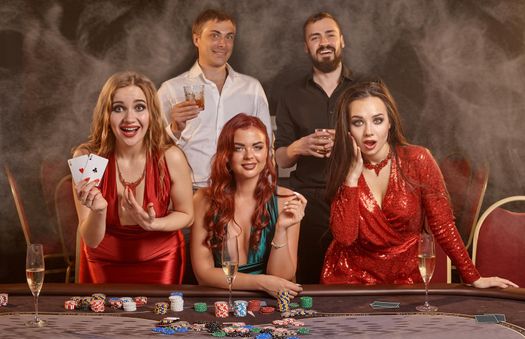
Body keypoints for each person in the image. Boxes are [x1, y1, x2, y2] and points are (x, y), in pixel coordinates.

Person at [321, 79, 518, 289]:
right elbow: (344, 238)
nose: (369, 131)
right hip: (350, 281)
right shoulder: (343, 167)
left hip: (404, 281)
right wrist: (351, 179)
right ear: (348, 128)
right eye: (358, 122)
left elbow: (443, 226)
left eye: (377, 120)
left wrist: (473, 277)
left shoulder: (418, 159)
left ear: (390, 122)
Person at [73, 71, 194, 284]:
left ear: (152, 113)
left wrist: (153, 224)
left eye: (140, 107)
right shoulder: (88, 158)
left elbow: (187, 215)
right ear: (106, 114)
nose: (130, 119)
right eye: (118, 108)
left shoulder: (170, 157)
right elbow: (91, 240)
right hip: (103, 261)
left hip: (161, 258)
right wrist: (99, 211)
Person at [274, 12, 353, 283]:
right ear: (306, 47)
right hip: (308, 197)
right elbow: (281, 159)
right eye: (315, 37)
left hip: (354, 192)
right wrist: (298, 147)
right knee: (307, 277)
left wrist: (346, 145)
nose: (324, 42)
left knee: (353, 276)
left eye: (330, 34)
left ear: (342, 40)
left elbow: (384, 147)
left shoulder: (365, 89)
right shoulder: (291, 93)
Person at [191, 114, 306, 297]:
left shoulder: (286, 199)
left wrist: (281, 229)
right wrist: (260, 282)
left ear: (267, 151)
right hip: (221, 300)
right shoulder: (203, 199)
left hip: (270, 303)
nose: (249, 156)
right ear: (226, 154)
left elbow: (283, 277)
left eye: (257, 147)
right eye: (238, 148)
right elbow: (203, 274)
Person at [158, 9, 272, 189]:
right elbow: (151, 147)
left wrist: (265, 190)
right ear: (196, 39)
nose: (223, 43)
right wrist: (174, 129)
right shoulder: (171, 89)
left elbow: (267, 145)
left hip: (239, 190)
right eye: (215, 35)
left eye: (229, 37)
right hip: (188, 191)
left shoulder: (252, 88)